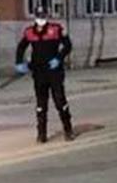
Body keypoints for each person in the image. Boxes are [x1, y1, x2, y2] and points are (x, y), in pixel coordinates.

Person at [15, 8, 74, 144]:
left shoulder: (56, 29)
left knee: (60, 101)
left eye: (43, 16)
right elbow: (21, 47)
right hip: (39, 72)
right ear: (35, 17)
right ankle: (41, 134)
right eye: (39, 16)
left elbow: (67, 45)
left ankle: (68, 130)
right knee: (41, 104)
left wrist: (59, 58)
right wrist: (19, 62)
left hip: (54, 71)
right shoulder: (30, 32)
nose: (41, 19)